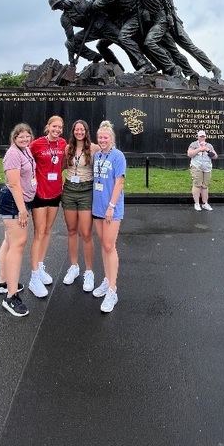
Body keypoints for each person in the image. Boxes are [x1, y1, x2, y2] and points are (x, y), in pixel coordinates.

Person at [0, 123, 37, 317]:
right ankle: (11, 297)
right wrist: (22, 210)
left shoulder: (25, 151)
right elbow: (13, 183)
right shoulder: (13, 154)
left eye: (27, 136)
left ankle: (3, 282)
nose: (25, 139)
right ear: (14, 137)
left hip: (18, 202)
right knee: (18, 245)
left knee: (9, 242)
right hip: (14, 203)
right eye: (21, 136)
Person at [28, 115, 67, 298]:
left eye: (60, 127)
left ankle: (41, 265)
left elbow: (64, 163)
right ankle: (34, 275)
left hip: (55, 192)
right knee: (39, 232)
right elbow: (26, 161)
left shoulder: (62, 144)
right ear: (48, 127)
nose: (57, 129)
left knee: (48, 230)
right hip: (39, 193)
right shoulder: (37, 144)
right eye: (54, 126)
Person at [91, 119, 126, 312]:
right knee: (103, 245)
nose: (102, 140)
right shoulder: (97, 156)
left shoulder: (118, 156)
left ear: (111, 139)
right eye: (100, 138)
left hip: (111, 208)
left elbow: (119, 183)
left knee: (109, 245)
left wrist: (111, 206)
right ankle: (106, 279)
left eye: (105, 138)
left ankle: (113, 290)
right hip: (98, 207)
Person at [61, 119, 100, 291]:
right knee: (71, 230)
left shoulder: (94, 148)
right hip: (69, 189)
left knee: (86, 233)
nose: (79, 132)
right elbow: (59, 167)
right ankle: (74, 266)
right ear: (73, 132)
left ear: (86, 131)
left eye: (82, 129)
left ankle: (89, 272)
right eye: (76, 129)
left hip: (86, 190)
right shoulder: (67, 148)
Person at [187, 130, 218, 210]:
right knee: (197, 184)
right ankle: (197, 203)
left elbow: (215, 157)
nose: (202, 138)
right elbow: (189, 154)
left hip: (207, 167)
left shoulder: (209, 146)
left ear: (206, 137)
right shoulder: (193, 144)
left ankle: (205, 203)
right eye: (200, 136)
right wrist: (199, 149)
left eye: (203, 136)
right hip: (196, 167)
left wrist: (207, 150)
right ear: (197, 137)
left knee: (205, 185)